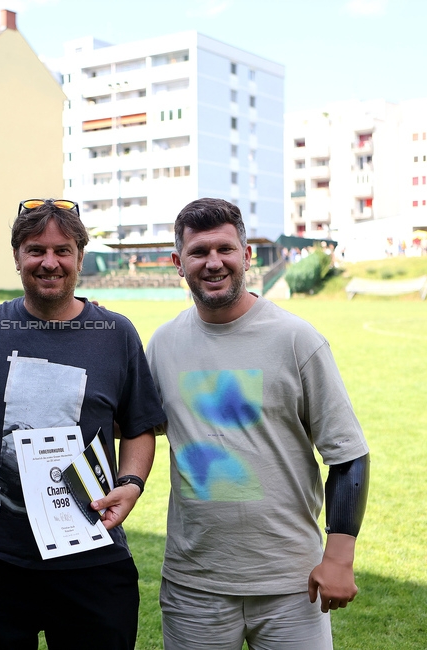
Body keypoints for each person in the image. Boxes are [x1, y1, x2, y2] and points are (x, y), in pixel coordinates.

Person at [146, 198, 370, 650]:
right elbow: (128, 427)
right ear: (178, 262)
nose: (214, 263)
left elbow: (348, 453)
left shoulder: (295, 339)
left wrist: (340, 559)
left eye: (225, 249)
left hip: (291, 582)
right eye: (199, 252)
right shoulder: (164, 344)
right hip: (195, 586)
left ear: (247, 255)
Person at [0, 198, 167, 650]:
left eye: (62, 250)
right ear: (17, 257)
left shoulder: (116, 333)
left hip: (91, 556)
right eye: (36, 250)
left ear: (79, 258)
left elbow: (138, 425)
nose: (49, 262)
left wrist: (130, 483)